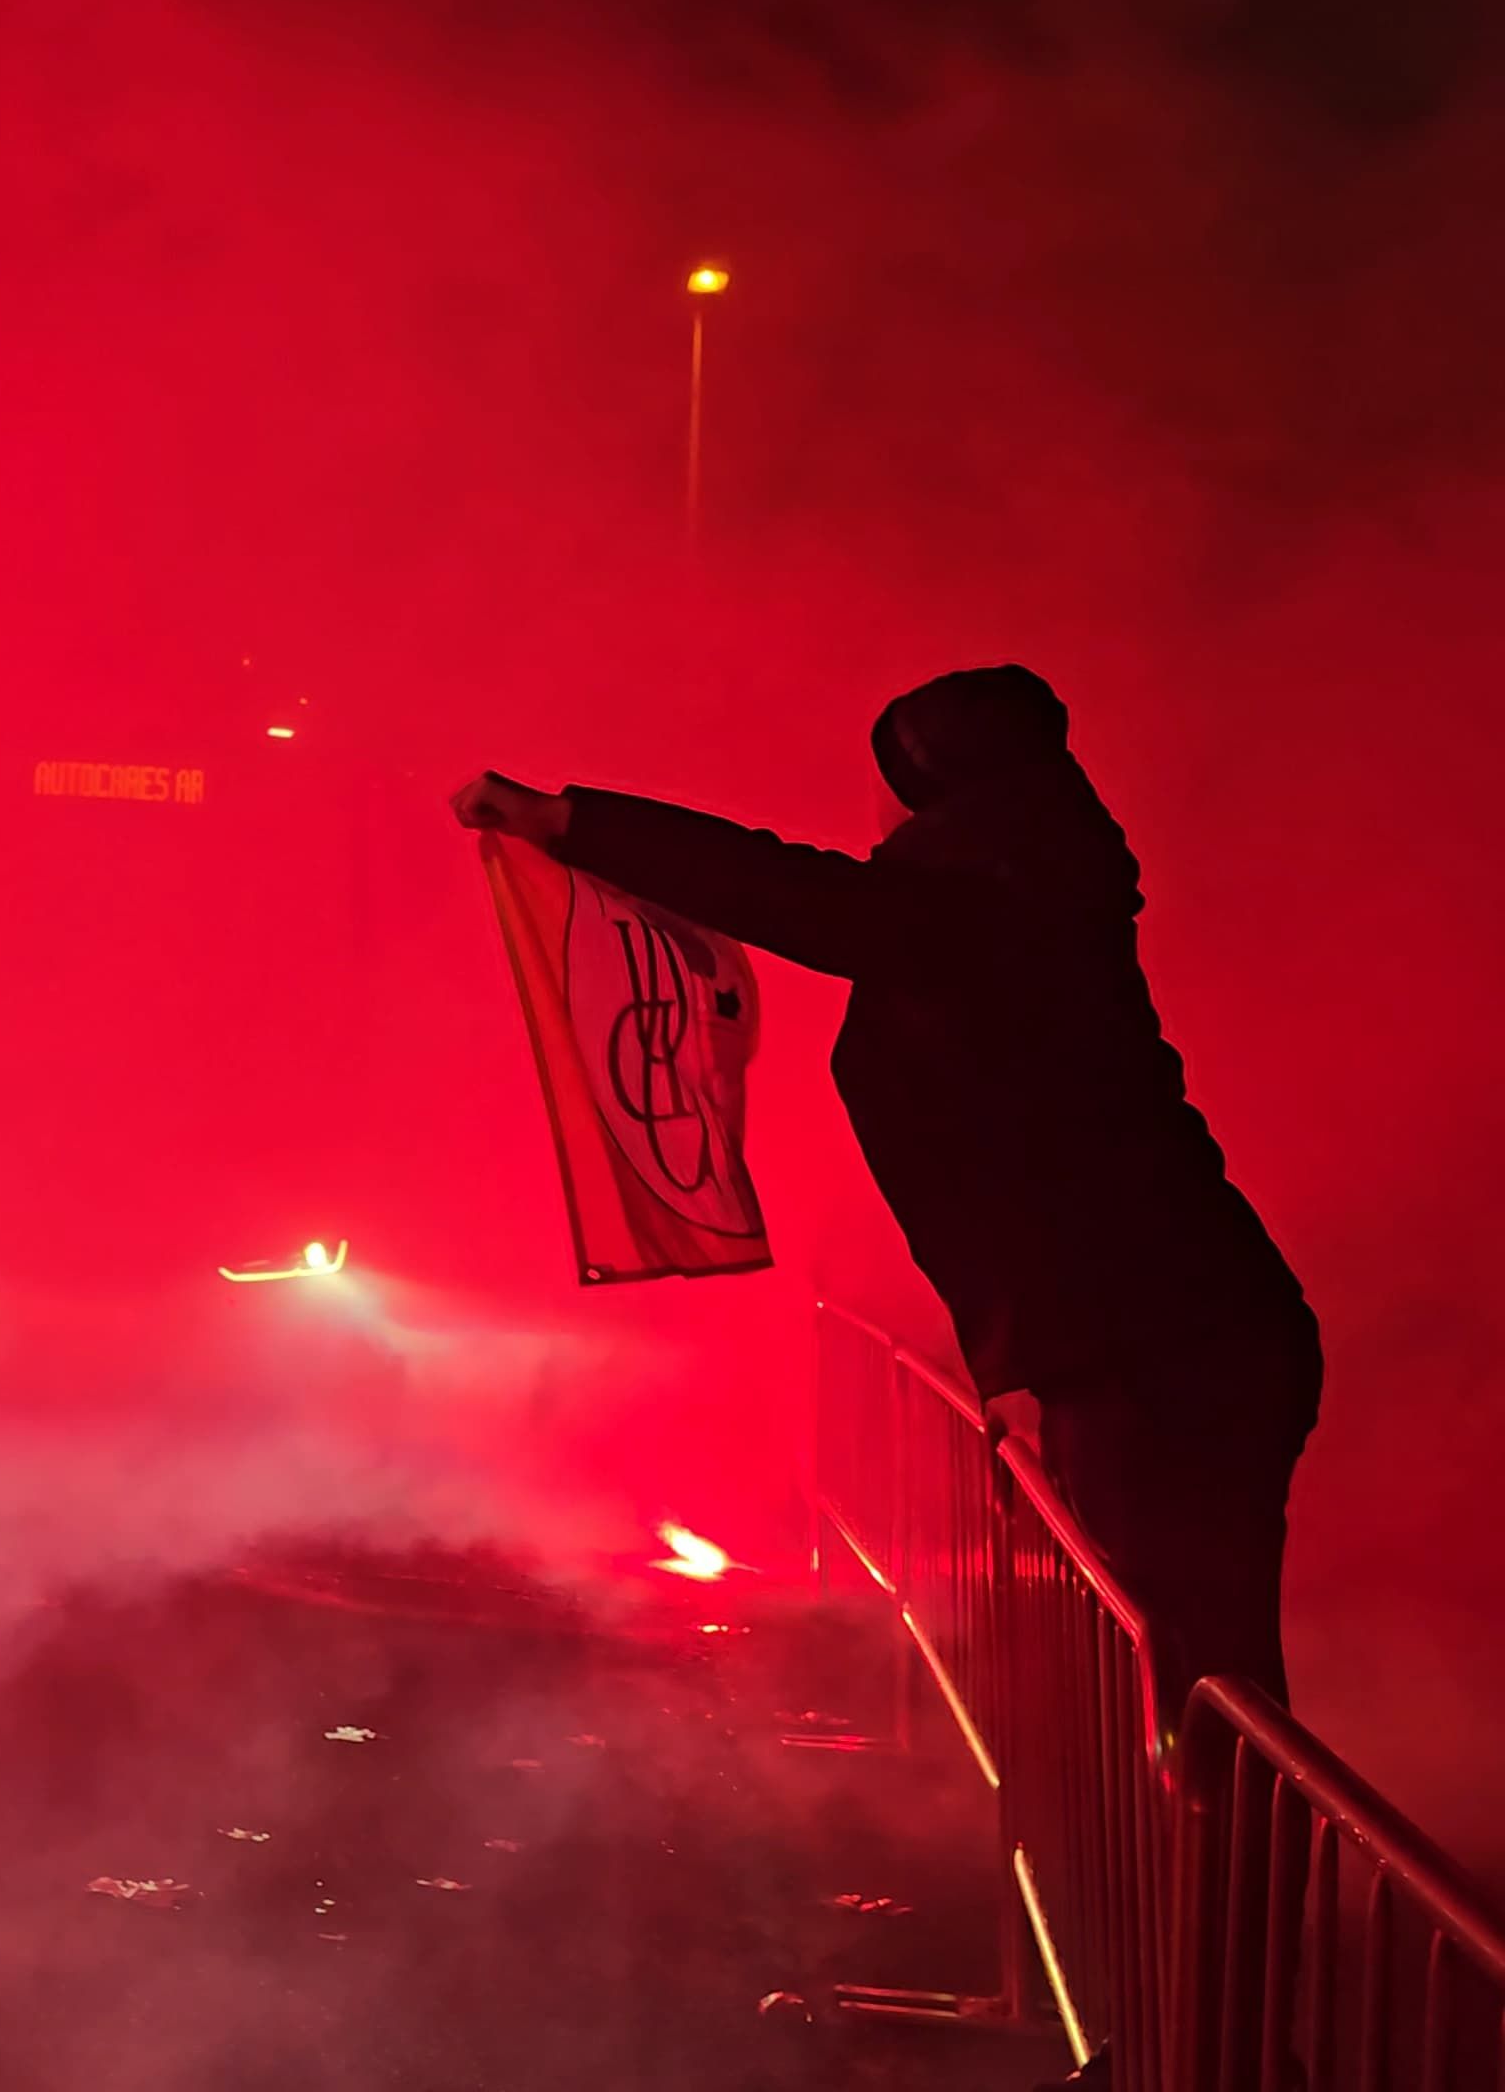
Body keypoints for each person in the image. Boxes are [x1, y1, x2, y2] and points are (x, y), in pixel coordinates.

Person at [453, 665, 1318, 1712]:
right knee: (1196, 1672)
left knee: (1186, 1679)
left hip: (1150, 1354)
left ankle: (1222, 1868)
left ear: (934, 782)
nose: (874, 804)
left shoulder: (980, 915)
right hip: (1176, 1334)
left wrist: (569, 824)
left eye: (890, 775)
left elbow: (786, 893)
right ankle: (1227, 1862)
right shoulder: (1023, 894)